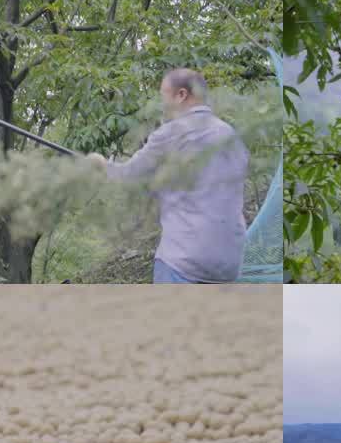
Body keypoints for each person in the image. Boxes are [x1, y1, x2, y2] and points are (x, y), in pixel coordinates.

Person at [88, 69, 249, 284]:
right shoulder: (231, 135)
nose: (162, 103)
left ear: (181, 95)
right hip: (229, 264)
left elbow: (128, 175)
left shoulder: (171, 133)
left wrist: (101, 165)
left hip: (184, 262)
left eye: (163, 95)